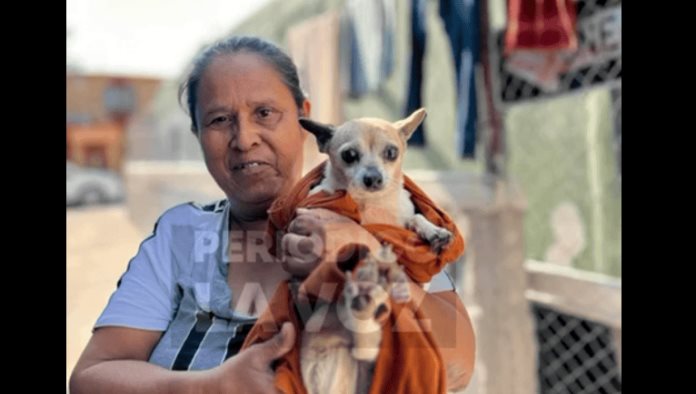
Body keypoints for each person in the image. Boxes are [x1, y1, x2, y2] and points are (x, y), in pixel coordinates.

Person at [70, 35, 475, 394]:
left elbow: (458, 365)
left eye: (265, 113)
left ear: (304, 121)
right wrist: (214, 385)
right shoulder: (181, 237)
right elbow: (91, 377)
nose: (244, 139)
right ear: (197, 134)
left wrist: (364, 250)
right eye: (219, 120)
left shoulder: (392, 223)